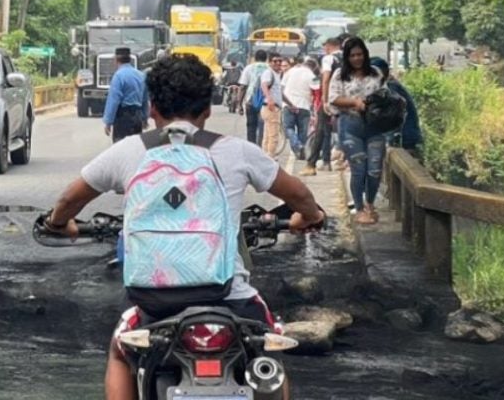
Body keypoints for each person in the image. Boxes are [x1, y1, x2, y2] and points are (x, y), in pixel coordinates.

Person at [44, 54, 324, 400]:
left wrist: (60, 225)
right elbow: (298, 193)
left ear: (152, 108)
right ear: (207, 109)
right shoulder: (237, 151)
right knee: (268, 346)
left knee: (120, 349)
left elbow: (69, 200)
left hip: (155, 304)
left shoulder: (129, 151)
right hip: (229, 296)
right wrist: (309, 218)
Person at [329, 37, 385, 225]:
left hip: (375, 126)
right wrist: (354, 102)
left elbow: (385, 95)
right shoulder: (339, 75)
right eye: (352, 55)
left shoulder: (376, 73)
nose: (356, 58)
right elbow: (333, 98)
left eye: (359, 54)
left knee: (375, 169)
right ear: (347, 57)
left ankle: (370, 203)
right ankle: (359, 208)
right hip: (350, 125)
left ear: (365, 54)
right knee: (359, 169)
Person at [300, 37, 342, 176]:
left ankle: (311, 164)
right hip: (347, 98)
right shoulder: (346, 57)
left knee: (321, 130)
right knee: (333, 129)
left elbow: (325, 79)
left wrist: (324, 100)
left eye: (325, 47)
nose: (324, 49)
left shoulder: (328, 59)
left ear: (329, 46)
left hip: (332, 98)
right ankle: (326, 162)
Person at [369, 57, 423, 153]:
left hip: (404, 141)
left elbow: (390, 119)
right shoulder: (389, 86)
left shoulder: (391, 88)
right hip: (404, 138)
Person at [103, 47, 149, 143]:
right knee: (135, 146)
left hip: (123, 118)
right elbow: (145, 99)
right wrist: (145, 118)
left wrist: (108, 122)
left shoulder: (118, 76)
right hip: (137, 117)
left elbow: (114, 100)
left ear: (116, 60)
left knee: (121, 146)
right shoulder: (141, 75)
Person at [281, 57, 315, 159]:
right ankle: (301, 152)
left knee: (288, 128)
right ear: (313, 67)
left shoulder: (290, 71)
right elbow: (315, 92)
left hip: (289, 104)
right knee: (303, 131)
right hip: (304, 106)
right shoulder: (312, 75)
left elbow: (281, 88)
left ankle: (297, 146)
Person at [237, 50, 269, 144]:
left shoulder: (249, 68)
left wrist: (239, 104)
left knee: (251, 126)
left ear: (254, 58)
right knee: (263, 126)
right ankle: (261, 146)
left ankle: (252, 146)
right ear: (266, 58)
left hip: (250, 101)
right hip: (265, 102)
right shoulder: (269, 69)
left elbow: (242, 87)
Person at [260, 52, 284, 157]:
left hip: (272, 107)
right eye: (275, 61)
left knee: (268, 134)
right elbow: (264, 85)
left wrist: (290, 104)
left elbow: (280, 93)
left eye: (280, 61)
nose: (278, 63)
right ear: (270, 62)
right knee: (273, 135)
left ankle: (265, 156)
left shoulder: (277, 74)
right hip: (270, 108)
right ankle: (270, 157)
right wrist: (270, 100)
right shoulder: (268, 73)